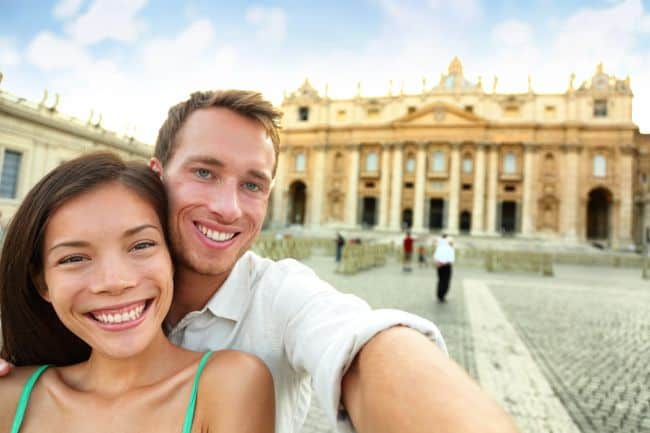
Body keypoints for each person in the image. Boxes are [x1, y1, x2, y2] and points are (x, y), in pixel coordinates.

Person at [1, 90, 518, 433]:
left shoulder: (279, 301)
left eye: (253, 184)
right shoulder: (30, 369)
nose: (228, 207)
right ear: (156, 175)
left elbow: (362, 344)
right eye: (204, 172)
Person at [0, 153, 274, 433]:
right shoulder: (8, 396)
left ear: (171, 258)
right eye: (73, 259)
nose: (115, 281)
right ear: (43, 283)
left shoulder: (229, 385)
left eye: (141, 245)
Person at [434, 234, 455, 303]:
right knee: (446, 281)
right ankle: (442, 296)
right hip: (446, 266)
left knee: (440, 280)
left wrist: (438, 263)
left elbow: (435, 256)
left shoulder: (439, 247)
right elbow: (451, 259)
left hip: (439, 266)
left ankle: (439, 295)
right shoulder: (450, 248)